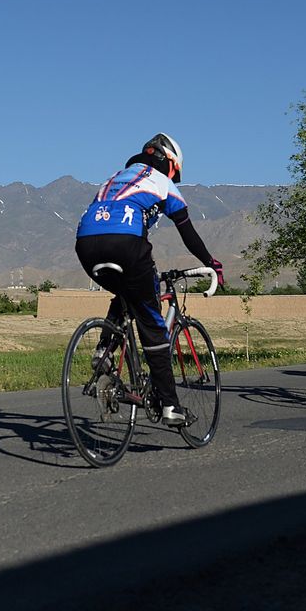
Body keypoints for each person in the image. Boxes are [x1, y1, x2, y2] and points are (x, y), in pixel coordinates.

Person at [74, 133, 223, 427]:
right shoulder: (160, 180)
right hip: (126, 244)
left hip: (85, 244)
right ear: (169, 163)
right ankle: (171, 406)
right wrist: (210, 263)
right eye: (175, 172)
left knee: (126, 294)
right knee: (152, 324)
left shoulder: (113, 178)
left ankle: (104, 351)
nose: (174, 177)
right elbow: (187, 230)